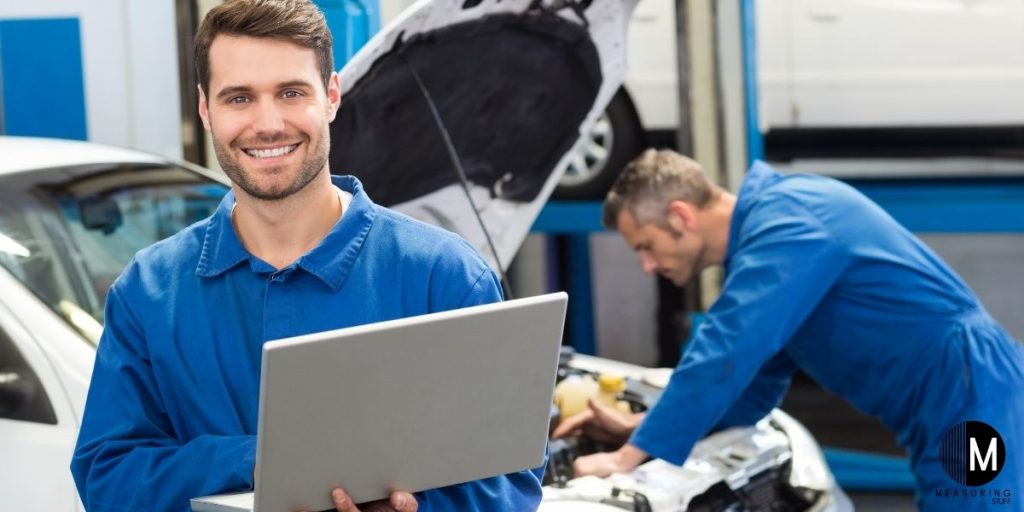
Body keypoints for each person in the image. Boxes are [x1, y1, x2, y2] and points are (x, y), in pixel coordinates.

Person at [69, 1, 543, 510]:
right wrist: (262, 463)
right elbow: (108, 476)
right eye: (239, 98)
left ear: (332, 96)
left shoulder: (443, 278)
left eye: (291, 93)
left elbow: (509, 483)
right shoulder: (150, 292)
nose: (267, 123)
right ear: (206, 109)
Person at [554, 149, 1024, 510]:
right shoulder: (775, 248)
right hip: (946, 398)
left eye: (647, 246)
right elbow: (745, 393)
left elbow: (727, 347)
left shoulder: (790, 219)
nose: (648, 266)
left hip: (971, 389)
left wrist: (626, 458)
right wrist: (644, 427)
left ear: (681, 215)